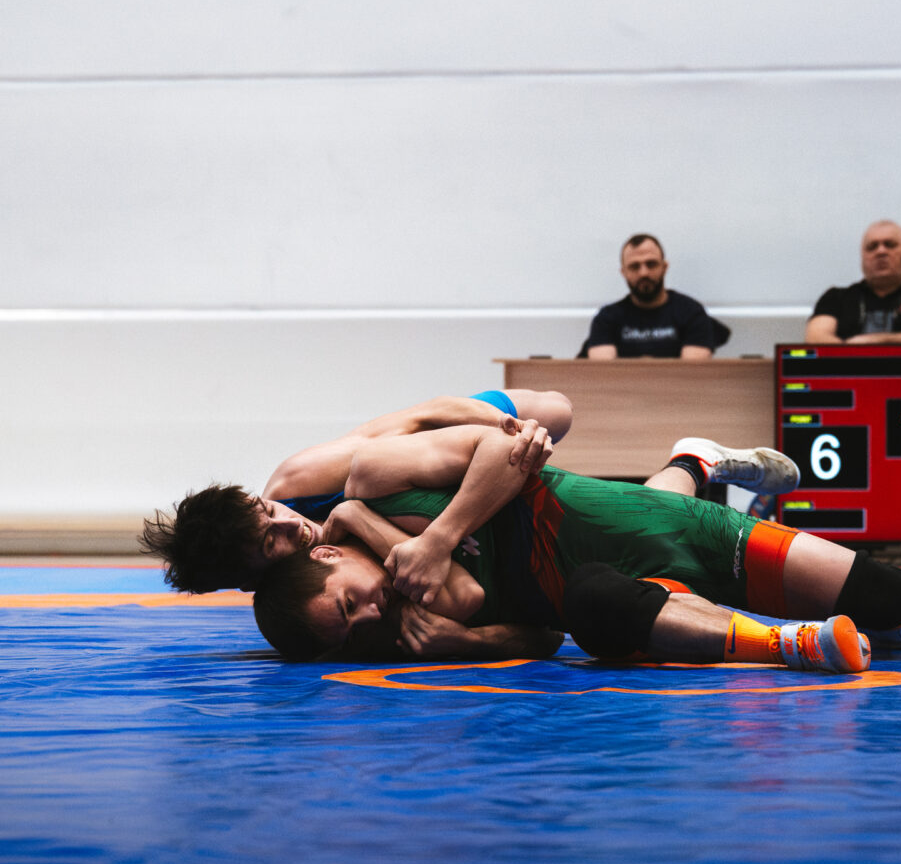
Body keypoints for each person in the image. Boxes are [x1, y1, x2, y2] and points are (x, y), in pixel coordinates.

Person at [251, 424, 901, 671]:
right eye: (350, 631)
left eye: (347, 604)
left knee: (895, 597)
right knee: (592, 601)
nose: (367, 614)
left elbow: (511, 444)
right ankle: (787, 642)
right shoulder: (401, 619)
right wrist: (460, 644)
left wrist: (429, 533)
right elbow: (529, 631)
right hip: (627, 595)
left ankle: (695, 463)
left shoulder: (373, 483)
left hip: (652, 525)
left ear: (325, 556)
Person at [138, 382, 792, 595]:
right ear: (248, 579)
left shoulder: (298, 483)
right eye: (271, 543)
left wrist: (504, 428)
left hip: (441, 447)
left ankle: (692, 462)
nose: (290, 523)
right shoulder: (291, 597)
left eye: (269, 512)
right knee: (632, 537)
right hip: (427, 519)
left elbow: (421, 417)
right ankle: (695, 461)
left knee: (557, 410)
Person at [804, 220, 901, 345]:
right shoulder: (836, 298)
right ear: (862, 258)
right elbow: (815, 338)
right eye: (872, 247)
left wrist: (877, 342)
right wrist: (854, 355)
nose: (881, 251)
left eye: (890, 245)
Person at [582, 234, 725, 359]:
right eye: (634, 266)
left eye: (651, 264)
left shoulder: (691, 312)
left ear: (664, 267)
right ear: (624, 272)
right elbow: (604, 371)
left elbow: (693, 372)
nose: (644, 273)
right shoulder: (607, 318)